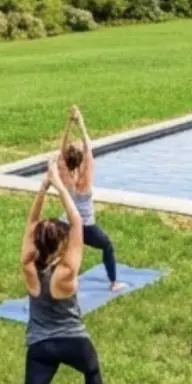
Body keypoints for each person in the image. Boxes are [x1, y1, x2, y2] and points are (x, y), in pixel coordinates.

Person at [0, 157, 112, 384]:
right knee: (92, 372)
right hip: (74, 340)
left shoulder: (29, 267)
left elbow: (31, 227)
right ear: (60, 247)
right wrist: (59, 186)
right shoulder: (67, 271)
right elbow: (76, 223)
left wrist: (42, 188)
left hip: (40, 345)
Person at [59, 106, 127, 293]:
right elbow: (88, 145)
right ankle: (114, 283)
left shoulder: (64, 172)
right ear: (82, 159)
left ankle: (57, 283)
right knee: (107, 246)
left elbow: (62, 148)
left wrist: (68, 124)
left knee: (65, 252)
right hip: (86, 226)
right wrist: (80, 122)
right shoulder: (86, 176)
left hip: (66, 223)